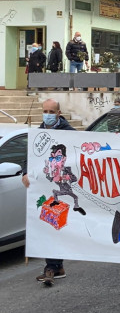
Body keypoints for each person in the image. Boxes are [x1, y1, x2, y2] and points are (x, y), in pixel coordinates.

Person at [22, 99, 76, 286]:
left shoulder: (70, 134)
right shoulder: (38, 135)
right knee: (49, 224)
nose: (48, 114)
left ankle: (53, 267)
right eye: (45, 110)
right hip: (45, 188)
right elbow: (28, 158)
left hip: (63, 187)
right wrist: (25, 173)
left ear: (59, 113)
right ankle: (54, 267)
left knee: (57, 224)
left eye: (51, 111)